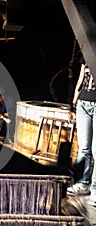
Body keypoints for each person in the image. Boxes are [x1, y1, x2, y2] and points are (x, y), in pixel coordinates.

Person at [67, 63, 96, 205]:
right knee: (84, 148)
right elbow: (80, 80)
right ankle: (82, 184)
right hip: (83, 104)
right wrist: (72, 105)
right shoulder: (87, 55)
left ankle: (95, 190)